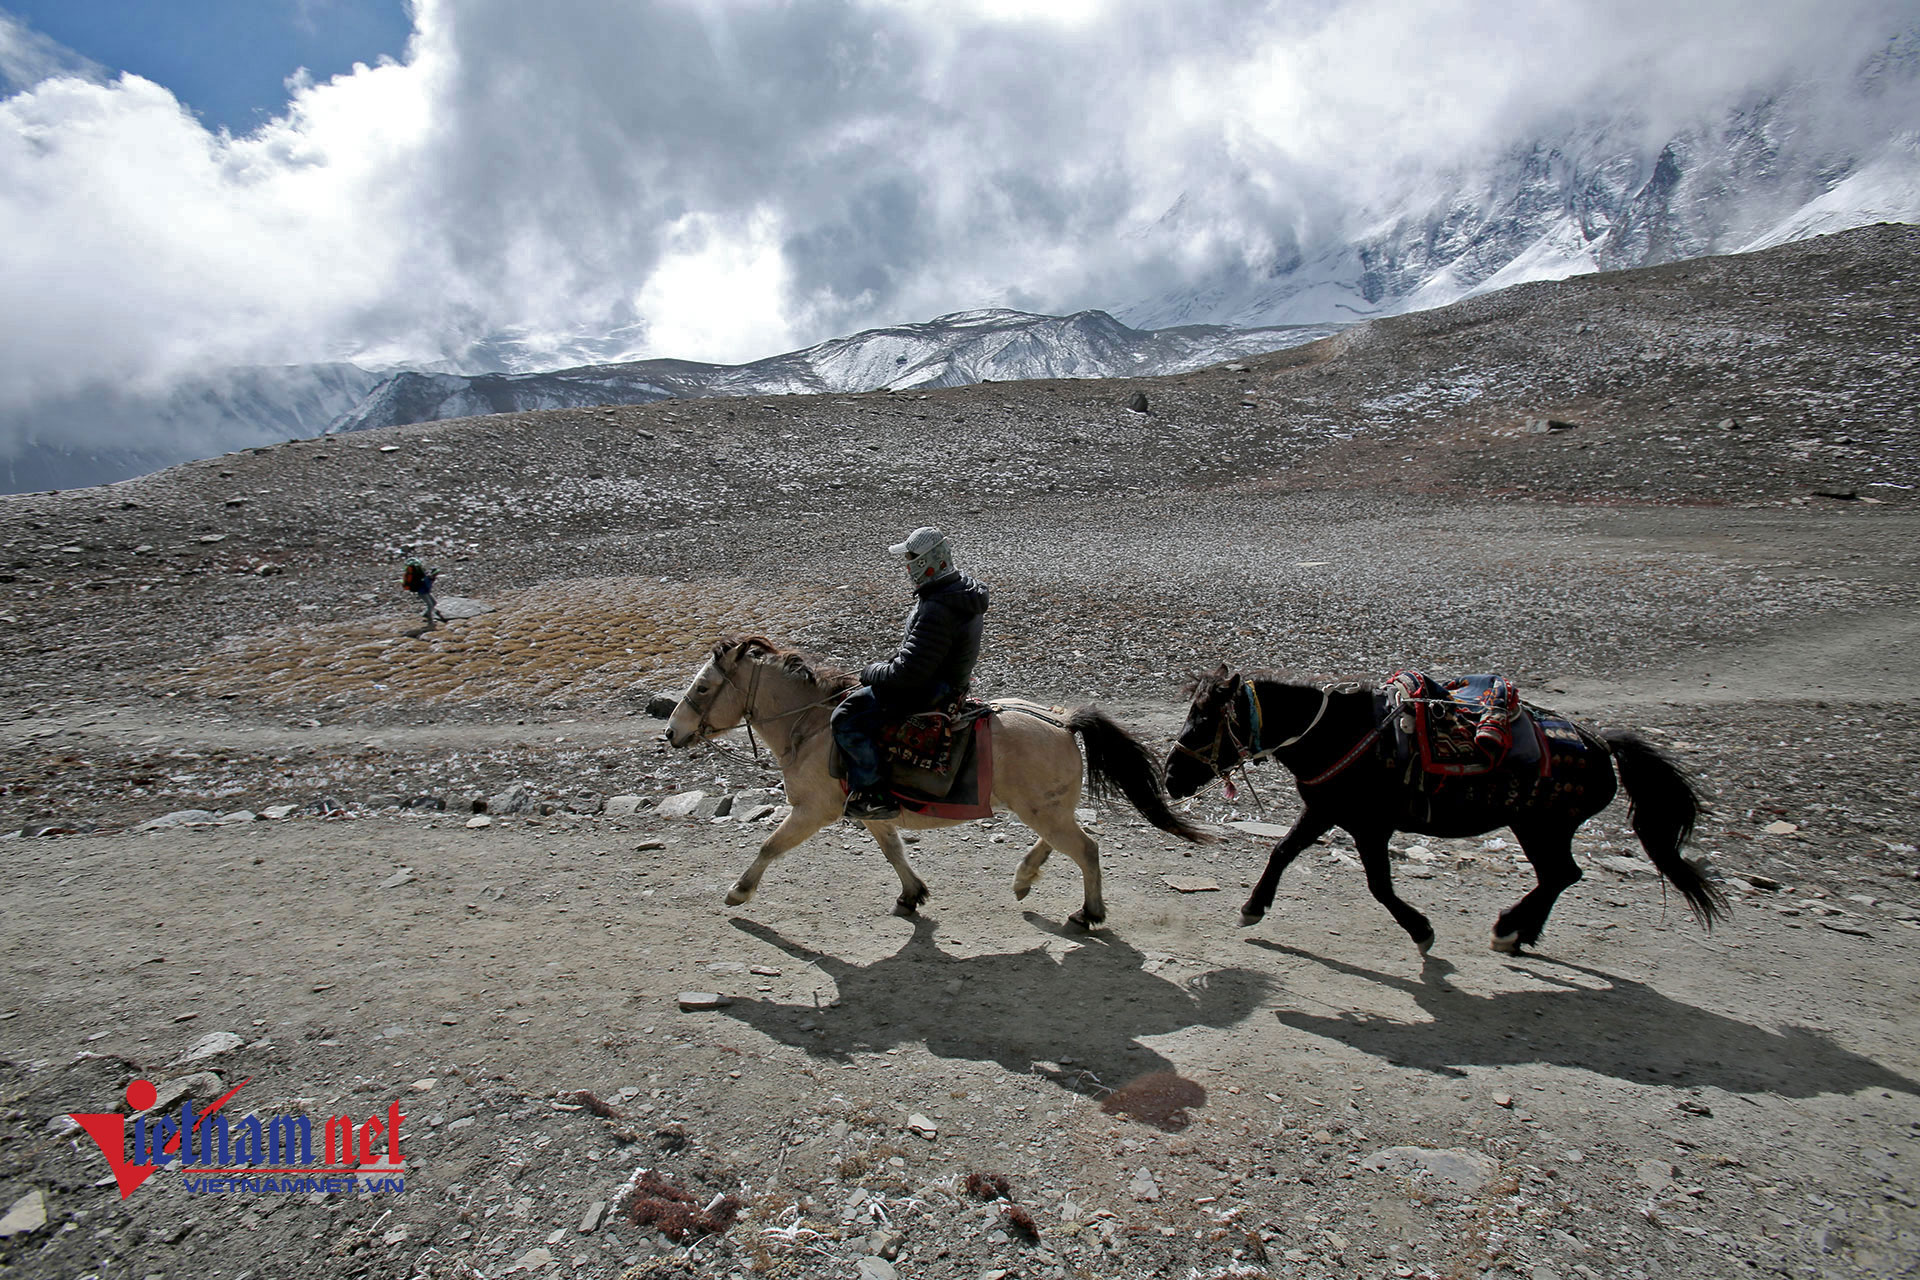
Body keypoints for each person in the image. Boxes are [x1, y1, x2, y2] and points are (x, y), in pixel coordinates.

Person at [832, 528, 990, 819]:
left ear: (928, 561)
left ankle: (873, 794)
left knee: (845, 716)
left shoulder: (938, 608)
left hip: (929, 688)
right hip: (945, 680)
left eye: (910, 558)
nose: (906, 565)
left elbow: (909, 673)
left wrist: (871, 671)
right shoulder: (959, 590)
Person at [400, 549, 446, 631]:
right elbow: (425, 583)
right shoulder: (426, 577)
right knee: (430, 605)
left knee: (434, 603)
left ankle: (425, 614)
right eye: (436, 574)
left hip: (425, 591)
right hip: (422, 592)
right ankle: (430, 619)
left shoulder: (426, 576)